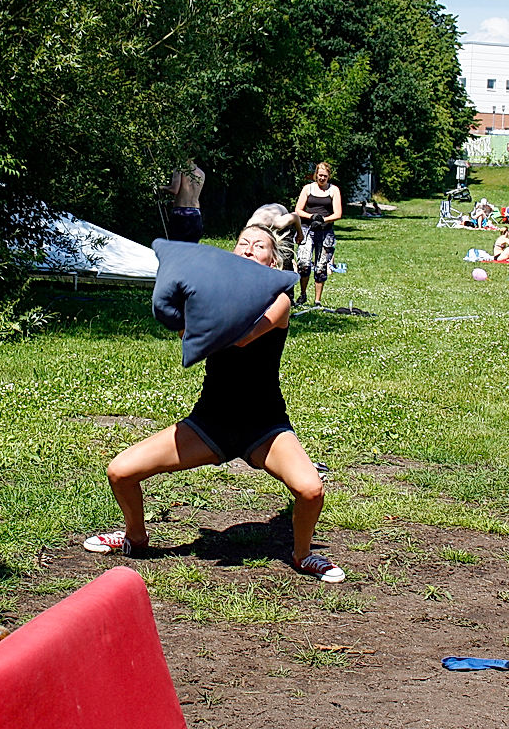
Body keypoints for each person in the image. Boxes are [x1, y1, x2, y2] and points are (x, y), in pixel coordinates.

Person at [82, 225, 344, 583]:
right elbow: (188, 334)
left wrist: (197, 304)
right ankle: (135, 537)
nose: (249, 249)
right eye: (242, 244)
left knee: (311, 490)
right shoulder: (211, 298)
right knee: (120, 472)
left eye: (259, 246)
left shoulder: (279, 300)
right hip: (210, 425)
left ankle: (302, 555)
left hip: (264, 427)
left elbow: (238, 338)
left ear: (272, 262)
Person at [294, 162, 343, 306]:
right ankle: (303, 295)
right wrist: (311, 217)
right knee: (304, 263)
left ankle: (317, 300)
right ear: (316, 174)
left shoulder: (334, 190)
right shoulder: (307, 189)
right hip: (307, 230)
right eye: (320, 175)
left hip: (325, 232)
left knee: (321, 266)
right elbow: (298, 210)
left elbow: (338, 213)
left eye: (325, 176)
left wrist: (323, 220)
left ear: (329, 176)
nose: (322, 178)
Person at [248, 203, 304, 272]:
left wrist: (300, 234)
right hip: (264, 213)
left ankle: (287, 273)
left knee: (285, 257)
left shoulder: (279, 223)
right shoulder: (250, 227)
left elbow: (295, 216)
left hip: (281, 217)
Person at [160, 159, 206, 243]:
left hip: (180, 215)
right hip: (196, 215)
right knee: (191, 249)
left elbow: (174, 190)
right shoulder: (201, 173)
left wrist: (161, 187)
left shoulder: (179, 170)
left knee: (176, 248)